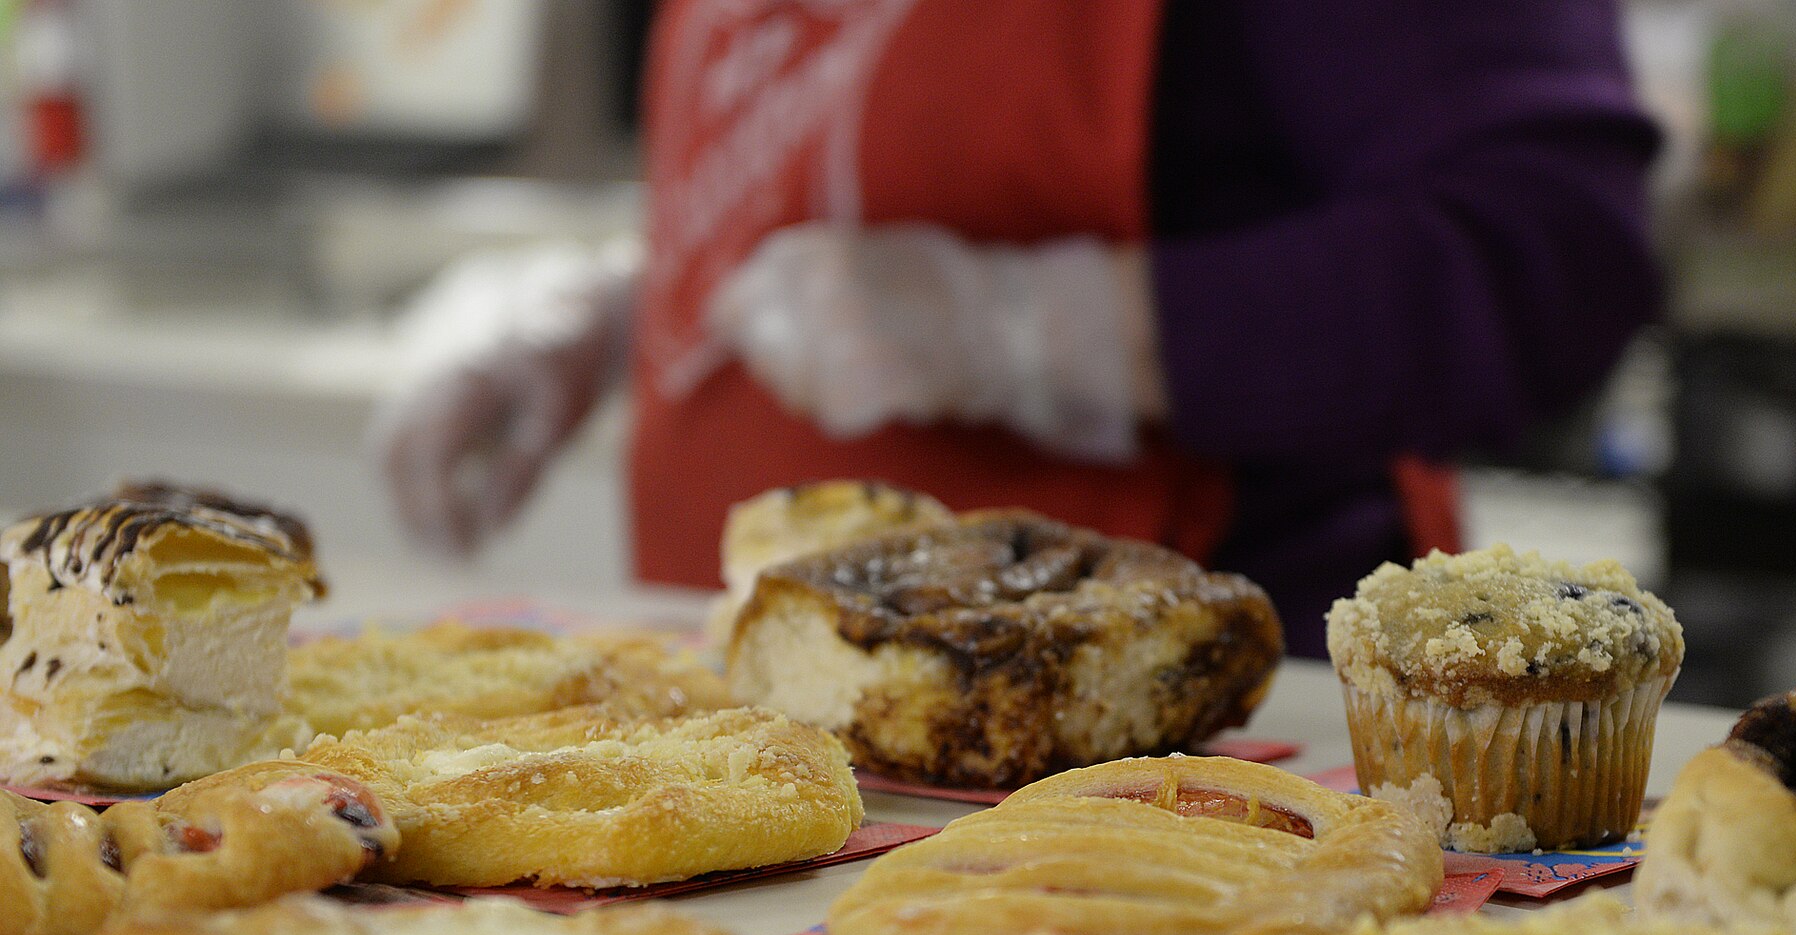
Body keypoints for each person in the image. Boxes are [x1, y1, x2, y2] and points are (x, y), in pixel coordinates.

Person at [377, 0, 1661, 654]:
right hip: (749, 763)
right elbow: (843, 141)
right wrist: (616, 305)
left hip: (1162, 803)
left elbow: (1554, 254)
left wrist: (1036, 330)